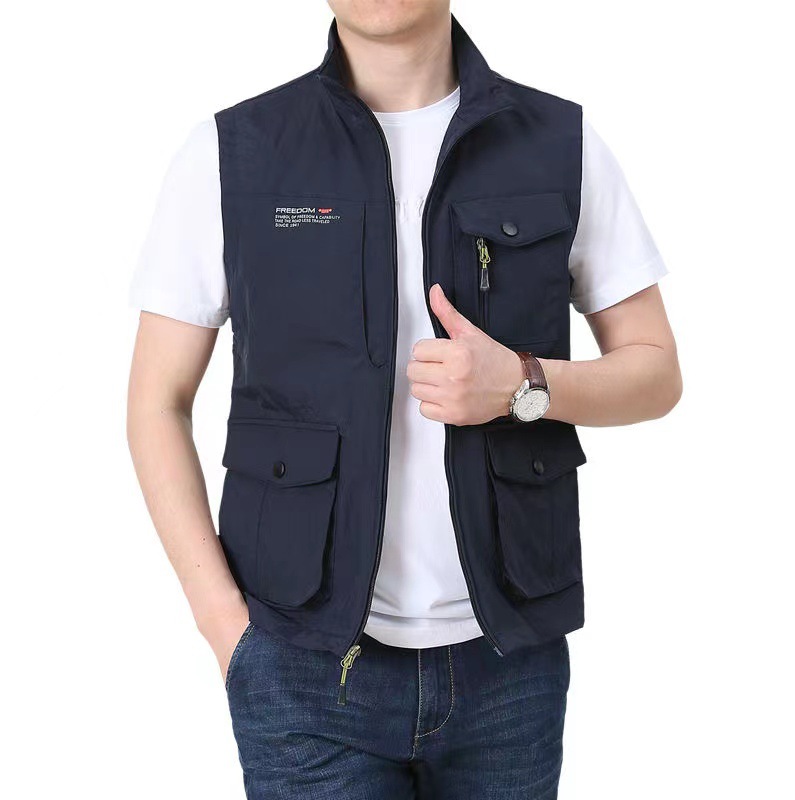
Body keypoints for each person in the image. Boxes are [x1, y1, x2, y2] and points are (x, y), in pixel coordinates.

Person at [127, 2, 682, 797]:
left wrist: (523, 384)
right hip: (300, 663)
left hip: (510, 666)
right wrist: (226, 628)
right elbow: (156, 400)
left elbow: (656, 372)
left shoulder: (559, 142)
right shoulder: (235, 151)